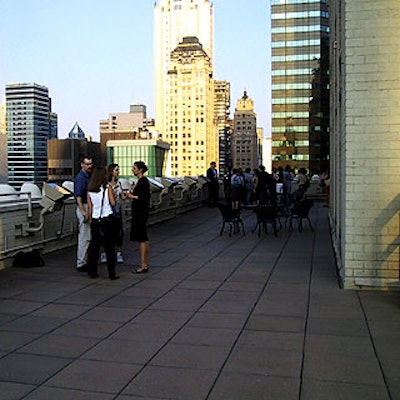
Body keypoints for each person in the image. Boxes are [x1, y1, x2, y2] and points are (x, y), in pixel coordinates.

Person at [87, 166, 119, 280]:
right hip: (107, 220)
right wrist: (114, 195)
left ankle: (92, 272)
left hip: (95, 221)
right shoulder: (107, 188)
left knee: (94, 248)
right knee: (109, 248)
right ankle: (112, 273)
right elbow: (113, 203)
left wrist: (90, 219)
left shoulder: (90, 190)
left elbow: (90, 209)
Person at [99, 163, 127, 264]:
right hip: (107, 211)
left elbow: (123, 197)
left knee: (119, 232)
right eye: (116, 170)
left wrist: (127, 192)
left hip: (117, 210)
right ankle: (104, 253)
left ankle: (118, 253)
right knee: (105, 233)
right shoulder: (105, 185)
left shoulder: (119, 183)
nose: (118, 172)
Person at [127, 161, 150, 273]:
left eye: (135, 168)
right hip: (142, 213)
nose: (133, 170)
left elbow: (142, 197)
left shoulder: (143, 182)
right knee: (144, 238)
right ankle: (145, 263)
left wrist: (131, 195)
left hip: (140, 213)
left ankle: (143, 264)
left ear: (140, 170)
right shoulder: (142, 181)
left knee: (142, 239)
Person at [74, 155, 93, 272]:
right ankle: (81, 262)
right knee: (84, 236)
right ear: (82, 164)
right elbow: (78, 196)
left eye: (90, 164)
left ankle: (84, 260)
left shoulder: (87, 176)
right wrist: (83, 211)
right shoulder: (81, 178)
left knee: (87, 236)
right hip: (84, 207)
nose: (89, 166)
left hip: (87, 207)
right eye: (87, 164)